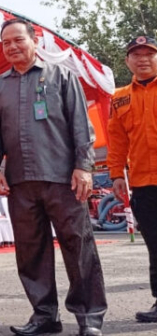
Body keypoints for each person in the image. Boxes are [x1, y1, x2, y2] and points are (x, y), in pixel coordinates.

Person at [0, 18, 107, 336]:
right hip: (21, 182)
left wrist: (84, 167)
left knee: (78, 248)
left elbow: (81, 126)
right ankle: (44, 316)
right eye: (5, 43)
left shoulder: (62, 76)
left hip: (63, 179)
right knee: (31, 251)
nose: (11, 47)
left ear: (34, 40)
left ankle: (89, 317)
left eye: (17, 40)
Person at [106, 35, 157, 323]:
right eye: (136, 55)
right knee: (155, 244)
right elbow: (117, 140)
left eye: (149, 54)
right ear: (128, 62)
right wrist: (116, 174)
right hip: (143, 183)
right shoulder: (120, 96)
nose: (143, 59)